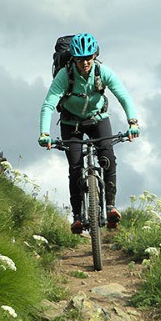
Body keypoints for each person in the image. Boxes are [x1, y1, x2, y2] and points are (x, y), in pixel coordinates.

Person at [39, 32, 140, 234]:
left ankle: (111, 207)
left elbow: (123, 96)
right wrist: (44, 133)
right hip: (71, 123)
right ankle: (77, 216)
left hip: (97, 119)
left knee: (107, 156)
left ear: (95, 55)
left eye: (88, 57)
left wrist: (133, 122)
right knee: (75, 167)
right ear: (73, 58)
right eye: (79, 58)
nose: (84, 62)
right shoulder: (64, 75)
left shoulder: (102, 72)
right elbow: (49, 104)